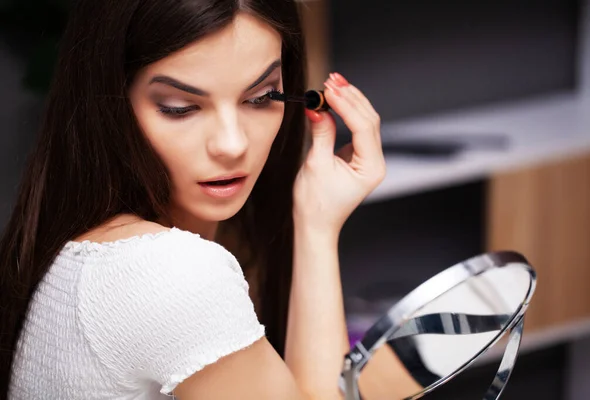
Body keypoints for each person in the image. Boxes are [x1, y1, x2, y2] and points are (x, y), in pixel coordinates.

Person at [0, 0, 385, 399]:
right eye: (180, 108)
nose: (232, 144)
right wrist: (318, 231)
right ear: (110, 104)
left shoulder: (78, 252)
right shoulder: (172, 273)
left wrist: (316, 220)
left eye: (261, 98)